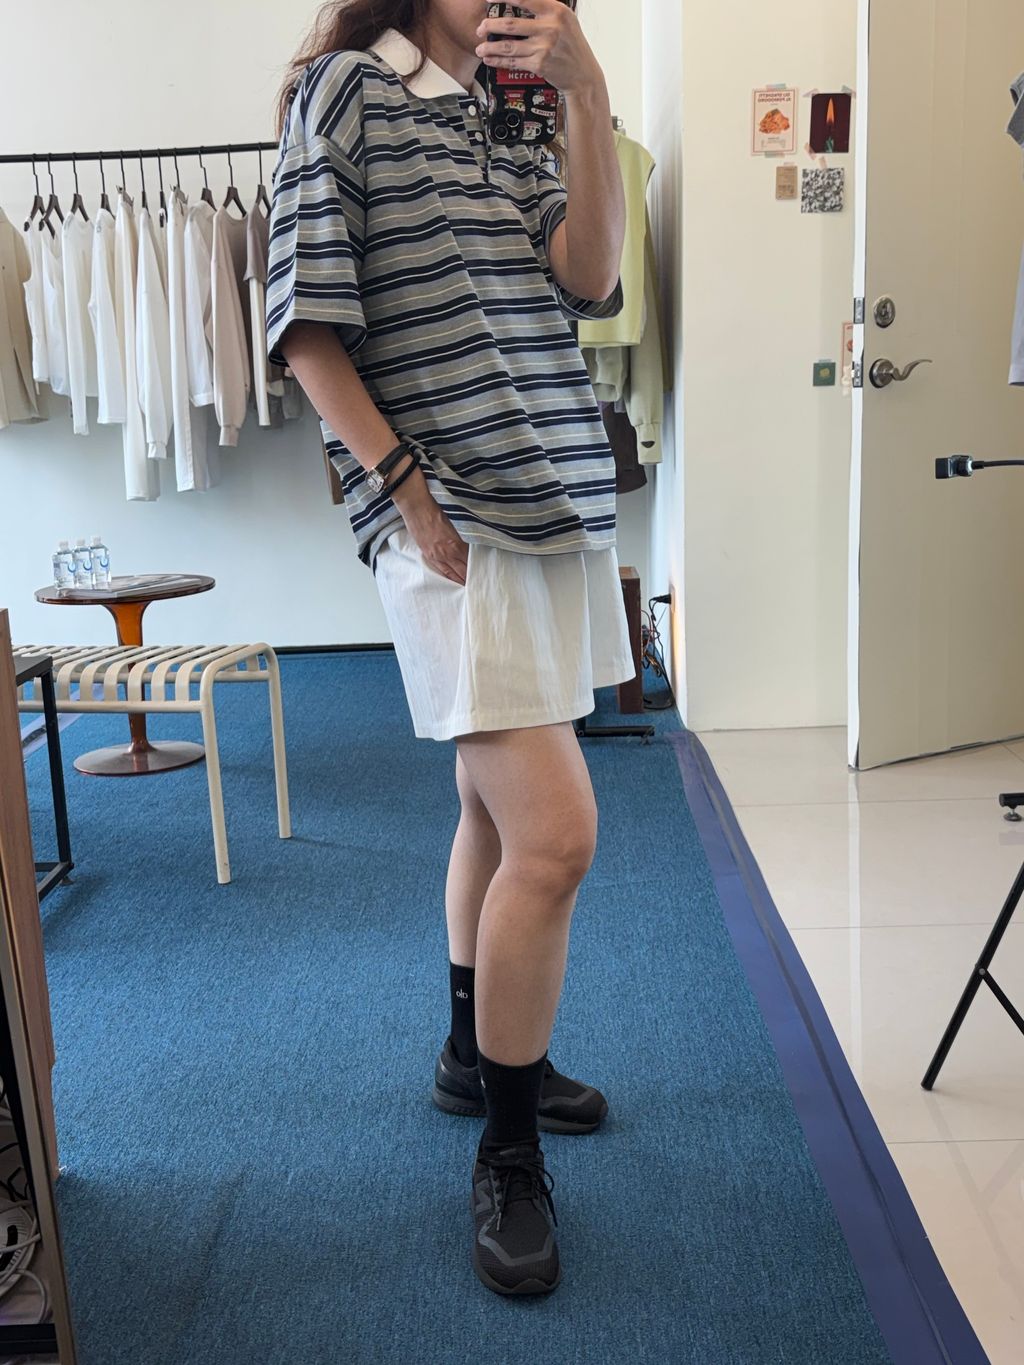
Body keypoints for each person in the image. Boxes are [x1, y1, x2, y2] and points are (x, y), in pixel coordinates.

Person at [269, 0, 634, 1297]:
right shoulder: (347, 93)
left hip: (549, 492)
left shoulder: (514, 101)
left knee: (489, 808)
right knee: (557, 837)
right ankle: (508, 1154)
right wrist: (406, 492)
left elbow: (586, 277)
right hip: (452, 518)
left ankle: (471, 1053)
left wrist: (587, 96)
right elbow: (304, 327)